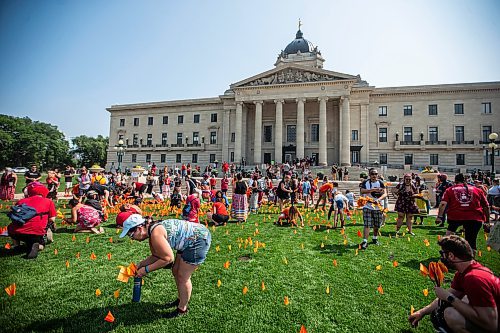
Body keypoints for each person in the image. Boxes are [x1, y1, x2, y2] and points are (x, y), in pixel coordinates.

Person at [122, 214, 211, 318]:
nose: (132, 238)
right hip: (188, 240)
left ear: (139, 228)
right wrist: (140, 265)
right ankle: (181, 299)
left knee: (183, 276)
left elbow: (168, 259)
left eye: (131, 235)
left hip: (198, 239)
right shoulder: (152, 232)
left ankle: (182, 308)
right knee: (175, 270)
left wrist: (145, 270)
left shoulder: (155, 234)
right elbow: (156, 256)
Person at [408, 235, 499, 333]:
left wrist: (450, 298)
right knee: (459, 301)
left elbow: (491, 326)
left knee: (450, 314)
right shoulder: (465, 271)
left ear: (451, 255)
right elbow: (449, 295)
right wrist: (422, 312)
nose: (441, 258)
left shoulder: (474, 278)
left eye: (442, 253)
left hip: (494, 323)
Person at [436, 173, 489, 251]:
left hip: (455, 216)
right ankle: (470, 259)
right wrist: (487, 221)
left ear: (455, 180)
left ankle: (446, 252)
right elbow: (486, 206)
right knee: (471, 241)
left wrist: (439, 217)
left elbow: (443, 204)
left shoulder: (450, 190)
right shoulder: (477, 190)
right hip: (474, 217)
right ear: (466, 180)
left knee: (449, 236)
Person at [7, 183, 56, 259]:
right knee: (40, 243)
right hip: (36, 232)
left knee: (11, 227)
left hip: (17, 231)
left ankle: (16, 245)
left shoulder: (21, 201)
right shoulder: (48, 201)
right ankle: (38, 246)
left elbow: (15, 216)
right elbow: (52, 219)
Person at [359, 168, 387, 250]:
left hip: (378, 207)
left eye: (375, 174)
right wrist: (373, 189)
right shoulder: (365, 182)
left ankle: (375, 238)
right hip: (367, 206)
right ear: (369, 175)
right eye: (372, 174)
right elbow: (362, 191)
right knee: (367, 224)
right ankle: (365, 241)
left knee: (377, 224)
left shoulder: (381, 183)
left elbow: (385, 194)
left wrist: (379, 199)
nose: (374, 176)